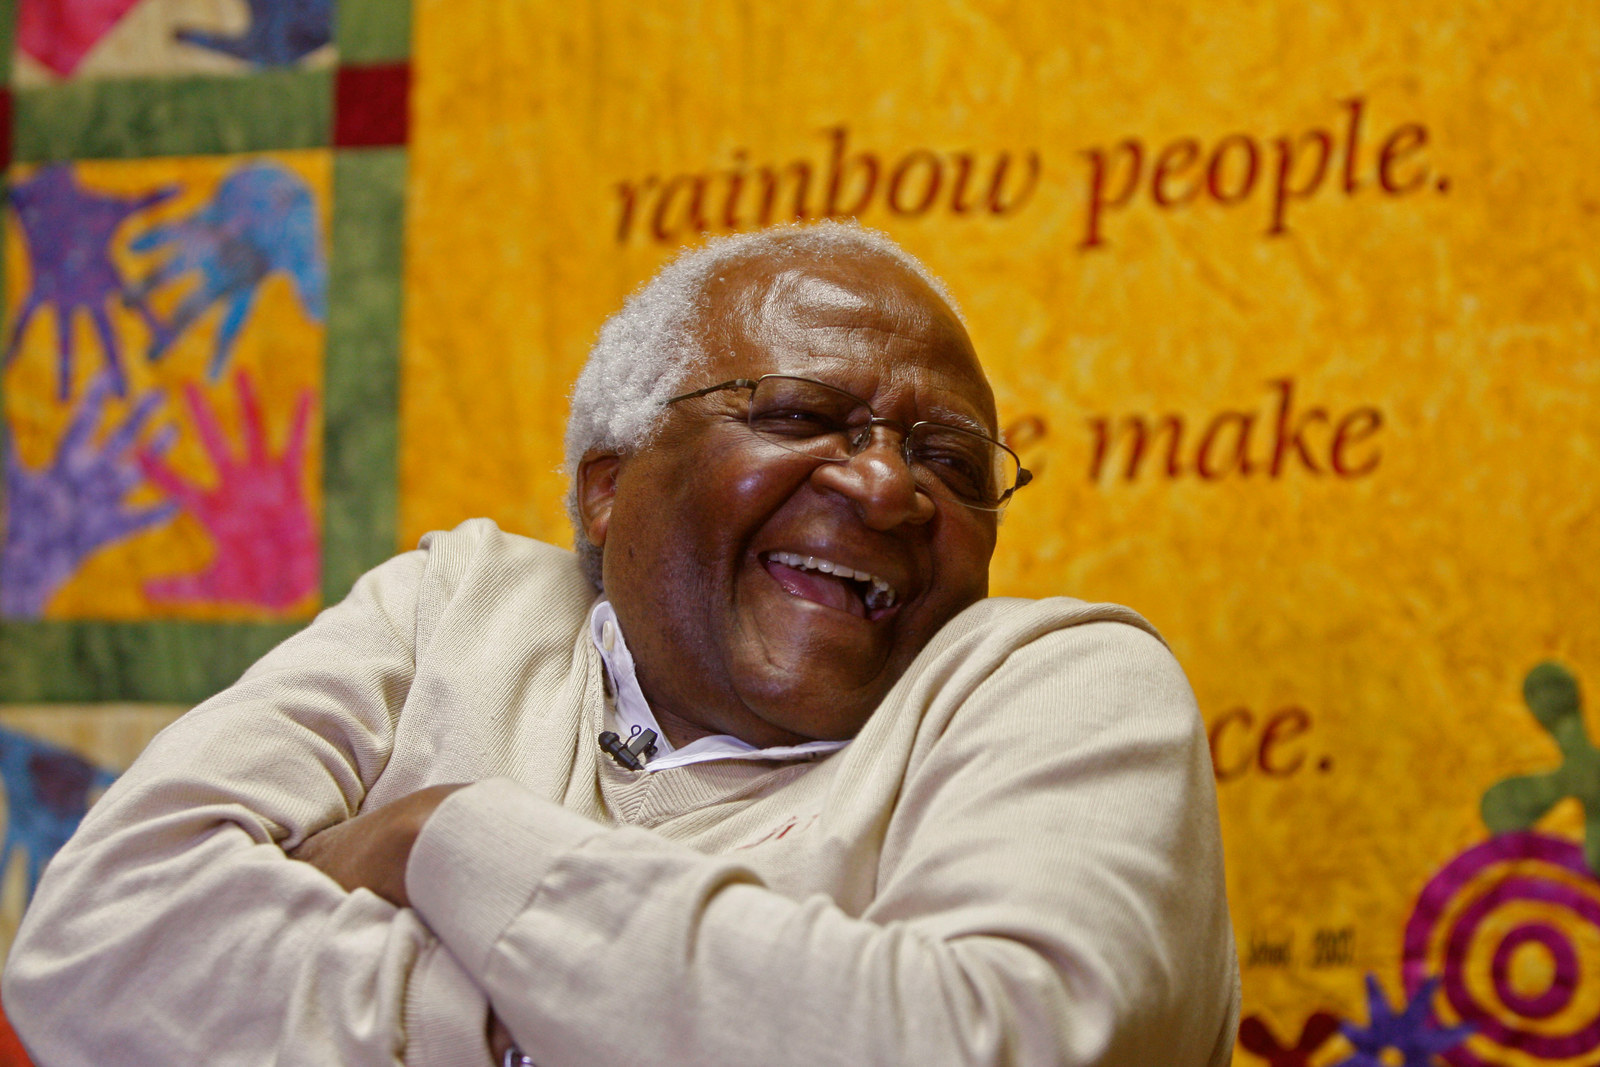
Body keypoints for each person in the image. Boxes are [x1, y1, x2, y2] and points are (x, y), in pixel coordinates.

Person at [4, 222, 1240, 1065]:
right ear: (607, 488)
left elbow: (972, 1039)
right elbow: (92, 945)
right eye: (806, 415)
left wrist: (441, 836)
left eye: (949, 460)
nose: (882, 487)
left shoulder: (1063, 683)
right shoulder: (457, 605)